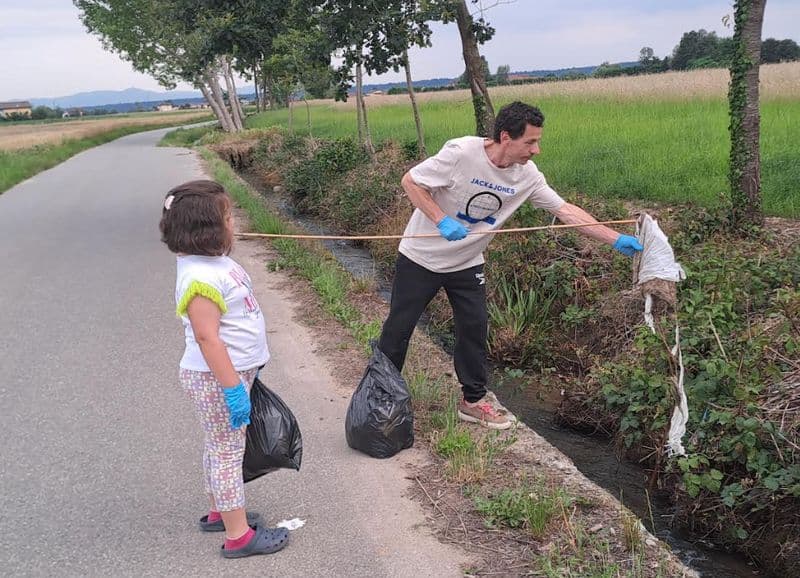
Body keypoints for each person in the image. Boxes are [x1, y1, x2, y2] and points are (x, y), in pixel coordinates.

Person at [377, 101, 643, 430]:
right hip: (421, 259)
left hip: (466, 262)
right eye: (530, 142)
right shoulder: (461, 153)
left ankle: (472, 402)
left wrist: (614, 238)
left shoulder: (527, 176)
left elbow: (565, 210)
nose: (537, 150)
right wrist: (440, 219)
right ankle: (381, 394)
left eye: (537, 141)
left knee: (474, 329)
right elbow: (411, 181)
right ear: (506, 137)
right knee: (399, 328)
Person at [159, 180, 289, 558]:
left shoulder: (210, 263)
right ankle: (238, 536)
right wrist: (233, 387)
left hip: (230, 374)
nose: (234, 222)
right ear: (207, 229)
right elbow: (207, 338)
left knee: (219, 447)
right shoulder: (200, 279)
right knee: (228, 452)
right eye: (228, 217)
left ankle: (220, 510)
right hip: (216, 379)